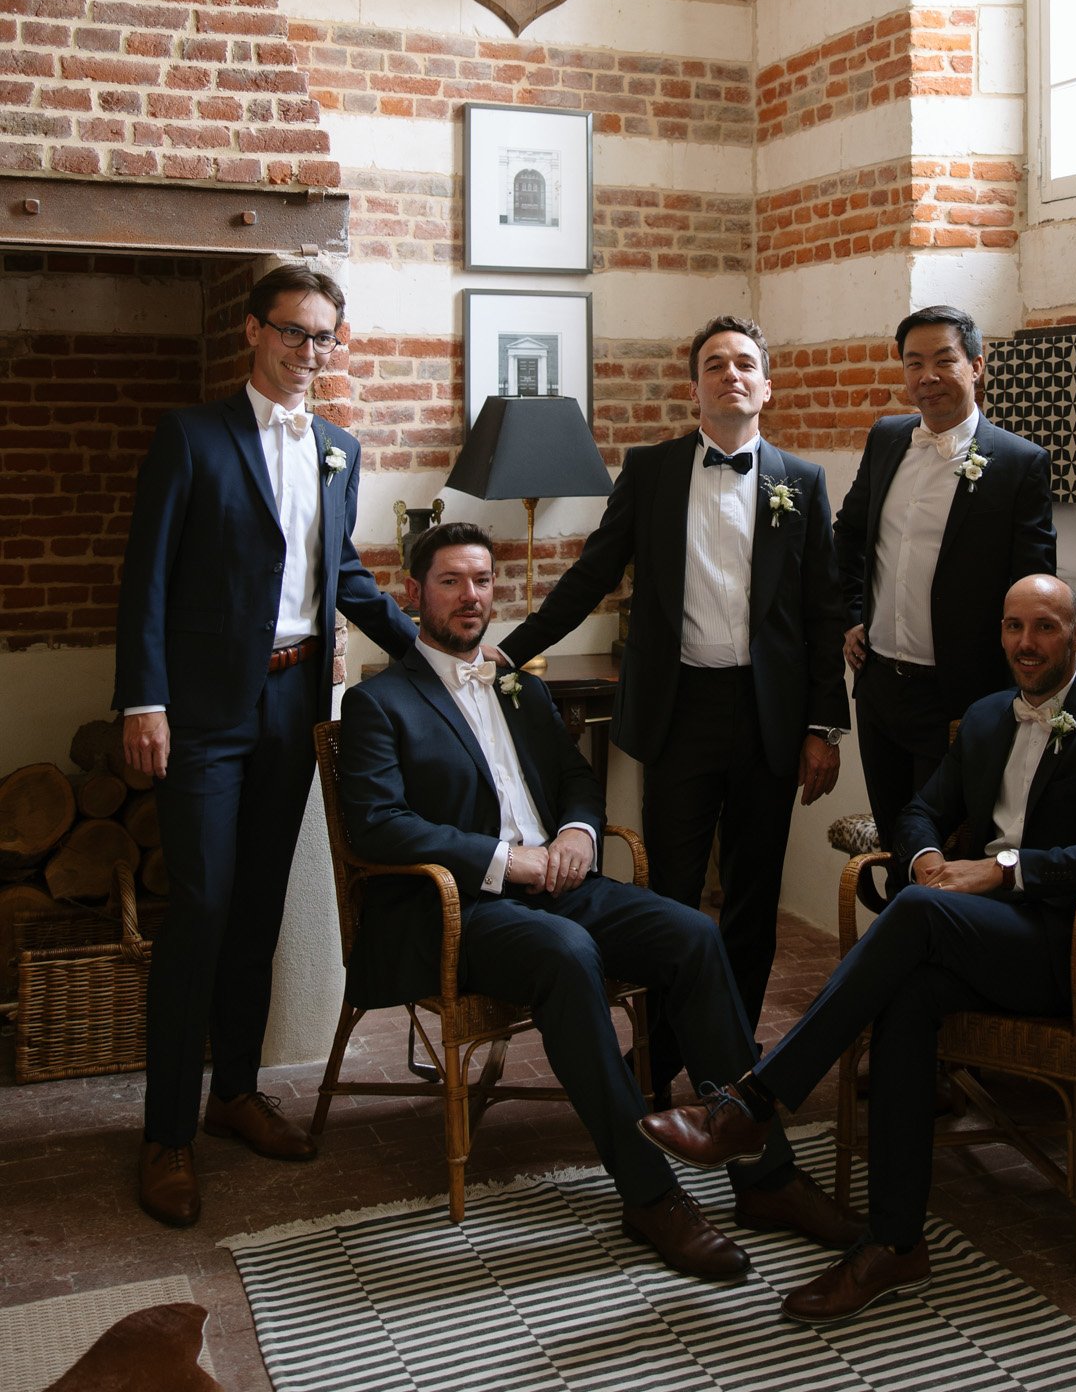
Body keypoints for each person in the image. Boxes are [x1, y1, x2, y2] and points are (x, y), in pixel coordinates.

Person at [638, 575, 1076, 1326]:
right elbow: (920, 810)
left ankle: (753, 1102)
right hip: (980, 936)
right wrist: (922, 860)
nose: (1024, 643)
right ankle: (893, 1242)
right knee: (907, 1000)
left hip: (1066, 947)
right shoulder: (984, 717)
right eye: (1012, 626)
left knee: (916, 920)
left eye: (1043, 628)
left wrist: (1002, 868)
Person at [337, 524, 859, 1279]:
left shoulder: (522, 687)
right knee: (568, 955)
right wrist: (505, 861)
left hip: (562, 882)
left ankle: (764, 1174)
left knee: (692, 935)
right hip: (460, 909)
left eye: (482, 580)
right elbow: (378, 825)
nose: (470, 596)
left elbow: (577, 779)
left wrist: (579, 829)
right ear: (413, 594)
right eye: (450, 581)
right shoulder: (378, 703)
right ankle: (649, 1195)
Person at [114, 262, 418, 1229]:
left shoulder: (338, 448)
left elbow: (343, 574)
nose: (307, 352)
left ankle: (233, 1093)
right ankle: (166, 1137)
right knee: (199, 908)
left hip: (295, 706)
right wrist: (143, 702)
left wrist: (440, 653)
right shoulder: (192, 435)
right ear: (253, 332)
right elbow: (147, 577)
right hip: (200, 714)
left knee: (255, 911)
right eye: (292, 332)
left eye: (323, 337)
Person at [499, 314, 849, 1099]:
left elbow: (824, 613)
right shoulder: (652, 471)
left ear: (766, 385)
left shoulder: (803, 481)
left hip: (770, 717)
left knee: (753, 898)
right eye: (715, 364)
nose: (732, 374)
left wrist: (824, 725)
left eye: (745, 363)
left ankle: (734, 1058)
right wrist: (509, 650)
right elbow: (592, 573)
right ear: (693, 388)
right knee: (670, 903)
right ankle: (658, 1061)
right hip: (680, 712)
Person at [835, 305, 1055, 842]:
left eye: (943, 360)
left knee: (946, 849)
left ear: (978, 365)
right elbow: (848, 535)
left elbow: (1033, 584)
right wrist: (852, 614)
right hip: (881, 688)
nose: (926, 376)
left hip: (960, 697)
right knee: (894, 842)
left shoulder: (1018, 462)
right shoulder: (887, 439)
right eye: (913, 363)